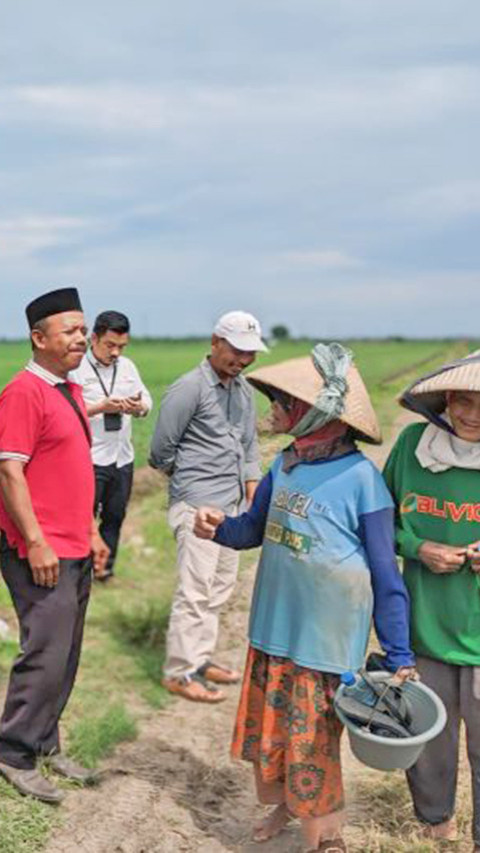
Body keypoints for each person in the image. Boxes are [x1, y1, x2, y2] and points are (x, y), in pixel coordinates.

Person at [194, 343, 415, 852]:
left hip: (324, 638)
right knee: (272, 733)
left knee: (313, 738)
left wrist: (399, 652)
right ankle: (282, 803)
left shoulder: (362, 480)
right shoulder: (286, 465)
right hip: (275, 624)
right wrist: (217, 529)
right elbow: (252, 529)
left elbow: (386, 572)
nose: (272, 411)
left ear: (314, 412)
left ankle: (325, 836)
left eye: (281, 402)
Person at [0, 288, 109, 804]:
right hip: (37, 548)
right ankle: (13, 752)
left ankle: (45, 740)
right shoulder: (24, 391)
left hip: (73, 543)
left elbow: (75, 471)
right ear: (39, 338)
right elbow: (9, 471)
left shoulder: (69, 390)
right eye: (69, 330)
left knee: (66, 651)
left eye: (83, 329)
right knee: (44, 651)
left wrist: (91, 533)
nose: (80, 338)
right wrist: (37, 542)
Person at [383, 351, 480, 850]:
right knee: (429, 739)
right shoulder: (413, 447)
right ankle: (435, 825)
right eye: (464, 400)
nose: (473, 414)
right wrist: (419, 548)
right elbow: (380, 526)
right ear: (444, 399)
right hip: (424, 627)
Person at [149, 310, 267, 702]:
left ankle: (199, 659)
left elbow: (249, 446)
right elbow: (161, 450)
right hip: (198, 505)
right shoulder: (189, 388)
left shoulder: (243, 391)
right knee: (194, 590)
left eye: (249, 353)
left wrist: (252, 492)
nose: (242, 360)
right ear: (216, 342)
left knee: (218, 589)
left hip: (232, 509)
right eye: (236, 350)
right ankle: (179, 672)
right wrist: (188, 485)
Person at [71, 310, 152, 580]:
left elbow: (147, 403)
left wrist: (137, 407)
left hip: (122, 458)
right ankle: (81, 572)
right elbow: (68, 411)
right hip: (90, 459)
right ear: (93, 338)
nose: (116, 352)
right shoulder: (77, 369)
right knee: (84, 520)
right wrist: (99, 407)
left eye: (121, 346)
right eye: (110, 345)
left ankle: (105, 571)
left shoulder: (128, 367)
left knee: (115, 516)